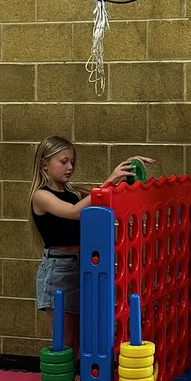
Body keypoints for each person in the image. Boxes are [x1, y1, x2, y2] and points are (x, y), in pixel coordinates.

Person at [30, 136, 154, 353]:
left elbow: (106, 195)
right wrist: (110, 179)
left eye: (72, 162)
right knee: (66, 341)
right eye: (64, 161)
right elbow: (74, 212)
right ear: (44, 164)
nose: (70, 167)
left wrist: (128, 169)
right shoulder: (41, 196)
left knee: (81, 338)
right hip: (59, 270)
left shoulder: (74, 192)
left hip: (82, 267)